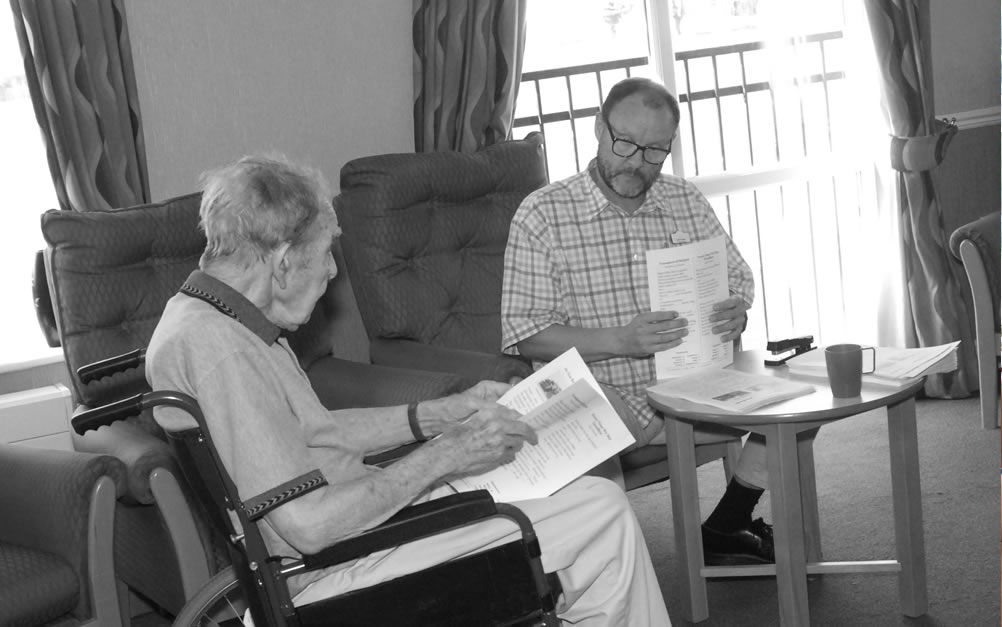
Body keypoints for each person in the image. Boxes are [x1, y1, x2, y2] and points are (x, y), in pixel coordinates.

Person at [146, 154, 671, 625]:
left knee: (565, 490)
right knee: (601, 510)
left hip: (362, 533)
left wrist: (442, 415)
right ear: (283, 261)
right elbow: (309, 525)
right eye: (326, 253)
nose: (332, 270)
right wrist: (446, 454)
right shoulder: (227, 354)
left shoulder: (209, 317)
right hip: (342, 568)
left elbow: (312, 433)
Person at [501, 76, 777, 565]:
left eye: (655, 150)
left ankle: (728, 520)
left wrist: (736, 307)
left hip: (694, 382)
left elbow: (737, 279)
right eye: (625, 143)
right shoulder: (542, 213)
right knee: (581, 437)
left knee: (797, 407)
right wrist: (621, 340)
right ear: (598, 129)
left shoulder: (683, 199)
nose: (636, 162)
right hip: (606, 390)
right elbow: (527, 336)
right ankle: (610, 569)